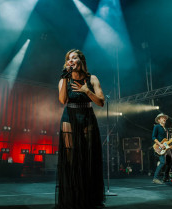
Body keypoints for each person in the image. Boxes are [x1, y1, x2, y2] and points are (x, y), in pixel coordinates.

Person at [56, 49, 105, 209]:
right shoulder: (64, 79)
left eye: (74, 58)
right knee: (70, 156)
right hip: (69, 115)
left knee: (87, 154)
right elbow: (63, 100)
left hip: (86, 115)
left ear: (81, 61)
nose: (71, 61)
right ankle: (71, 195)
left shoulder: (92, 78)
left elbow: (101, 102)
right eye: (68, 59)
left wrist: (87, 91)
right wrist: (64, 80)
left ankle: (88, 195)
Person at [152, 113, 172, 184]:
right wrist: (160, 144)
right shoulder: (157, 127)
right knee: (163, 162)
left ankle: (165, 177)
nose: (164, 119)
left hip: (166, 147)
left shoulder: (166, 129)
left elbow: (167, 140)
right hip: (159, 147)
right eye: (162, 118)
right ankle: (155, 178)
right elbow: (153, 137)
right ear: (159, 120)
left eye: (165, 118)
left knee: (169, 162)